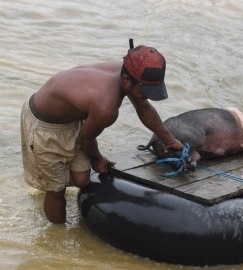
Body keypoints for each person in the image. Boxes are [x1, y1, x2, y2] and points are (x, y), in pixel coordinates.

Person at [20, 43, 183, 224]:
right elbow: (87, 140)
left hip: (75, 117)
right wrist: (97, 158)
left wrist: (171, 140)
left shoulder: (126, 73)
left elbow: (144, 108)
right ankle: (56, 232)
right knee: (56, 190)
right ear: (127, 80)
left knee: (81, 180)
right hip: (45, 124)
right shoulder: (106, 107)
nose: (147, 96)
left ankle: (54, 174)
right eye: (145, 91)